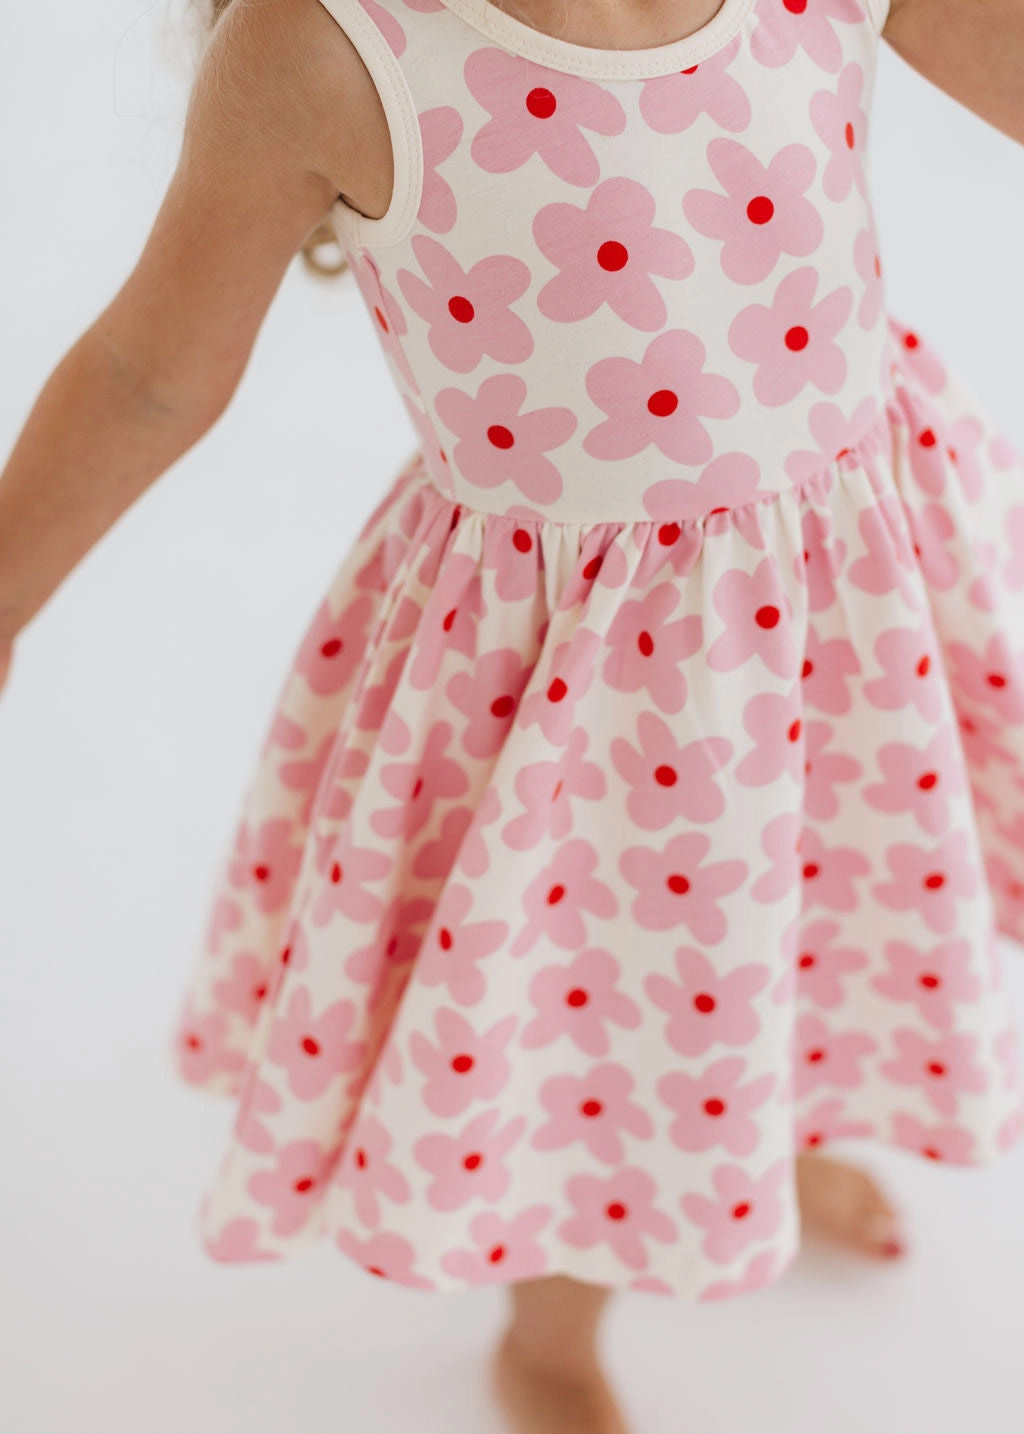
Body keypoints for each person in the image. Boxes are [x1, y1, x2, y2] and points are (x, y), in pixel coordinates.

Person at [2, 0, 1023, 1429]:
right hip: (592, 702)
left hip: (845, 599)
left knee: (817, 909)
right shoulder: (328, 48)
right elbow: (147, 374)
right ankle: (551, 1332)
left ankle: (773, 1143)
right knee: (596, 1007)